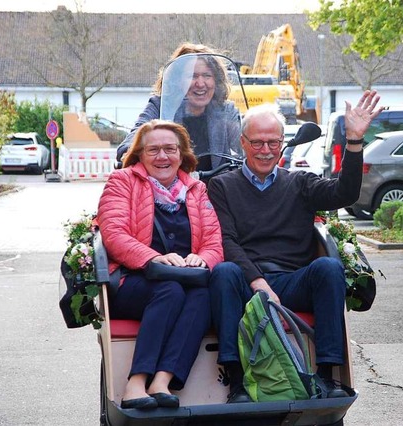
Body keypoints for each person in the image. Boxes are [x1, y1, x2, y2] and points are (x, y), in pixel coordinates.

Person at [207, 90, 383, 403]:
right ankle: (236, 384)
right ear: (243, 143)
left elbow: (345, 194)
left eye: (273, 142)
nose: (265, 150)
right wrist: (256, 281)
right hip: (247, 283)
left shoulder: (300, 182)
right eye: (257, 142)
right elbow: (226, 240)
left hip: (292, 280)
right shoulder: (222, 185)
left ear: (282, 143)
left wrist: (354, 141)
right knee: (223, 272)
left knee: (328, 267)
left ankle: (328, 377)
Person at [97, 119, 223, 409]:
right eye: (153, 150)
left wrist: (202, 258)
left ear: (182, 154)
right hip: (132, 280)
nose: (162, 157)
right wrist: (153, 257)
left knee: (204, 296)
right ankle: (135, 383)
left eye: (170, 149)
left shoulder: (196, 189)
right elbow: (113, 234)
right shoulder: (123, 181)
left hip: (185, 280)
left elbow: (214, 241)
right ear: (139, 154)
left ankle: (163, 380)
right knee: (169, 290)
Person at [117, 43, 242, 171]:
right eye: (192, 76)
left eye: (207, 76)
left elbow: (245, 140)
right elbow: (135, 136)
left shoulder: (225, 110)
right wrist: (130, 152)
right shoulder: (160, 106)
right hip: (172, 187)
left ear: (216, 80)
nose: (200, 83)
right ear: (177, 80)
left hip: (215, 187)